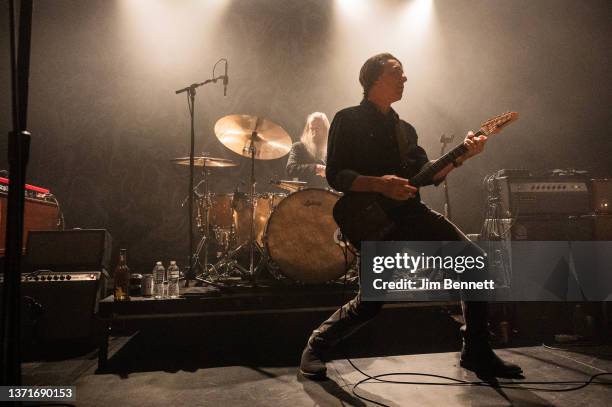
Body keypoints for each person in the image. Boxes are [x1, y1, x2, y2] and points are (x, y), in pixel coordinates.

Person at [299, 53, 523, 379]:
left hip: (411, 214)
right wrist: (380, 184)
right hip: (372, 218)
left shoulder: (406, 130)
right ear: (374, 78)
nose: (405, 79)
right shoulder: (347, 119)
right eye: (397, 73)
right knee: (371, 302)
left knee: (475, 263)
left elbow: (428, 175)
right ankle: (316, 345)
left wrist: (463, 155)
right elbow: (336, 175)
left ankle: (476, 350)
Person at [285, 112, 330, 188]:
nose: (314, 133)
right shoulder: (298, 147)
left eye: (318, 129)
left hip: (327, 196)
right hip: (303, 195)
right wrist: (316, 168)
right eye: (312, 129)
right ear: (307, 130)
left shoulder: (332, 150)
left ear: (325, 131)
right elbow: (290, 169)